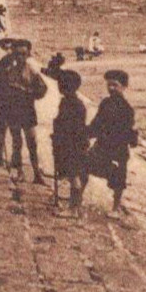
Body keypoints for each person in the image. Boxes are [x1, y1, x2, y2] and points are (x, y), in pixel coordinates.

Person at [0, 38, 47, 183]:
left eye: (24, 54)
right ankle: (19, 171)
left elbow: (42, 89)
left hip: (27, 109)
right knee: (17, 142)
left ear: (28, 54)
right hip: (13, 109)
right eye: (18, 54)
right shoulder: (7, 70)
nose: (21, 57)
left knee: (32, 142)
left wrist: (28, 92)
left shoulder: (31, 71)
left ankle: (36, 173)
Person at [86, 70, 137, 214]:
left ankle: (116, 207)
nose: (111, 88)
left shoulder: (127, 110)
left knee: (119, 181)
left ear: (124, 87)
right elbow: (96, 123)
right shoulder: (105, 103)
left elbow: (129, 133)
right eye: (109, 85)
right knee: (83, 165)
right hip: (102, 146)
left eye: (115, 85)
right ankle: (76, 201)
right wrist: (86, 133)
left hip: (118, 149)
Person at [49, 69, 89, 212]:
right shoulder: (70, 102)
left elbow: (71, 127)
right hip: (71, 143)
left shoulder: (72, 104)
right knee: (72, 174)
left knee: (74, 176)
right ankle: (73, 204)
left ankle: (74, 207)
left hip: (72, 145)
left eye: (61, 84)